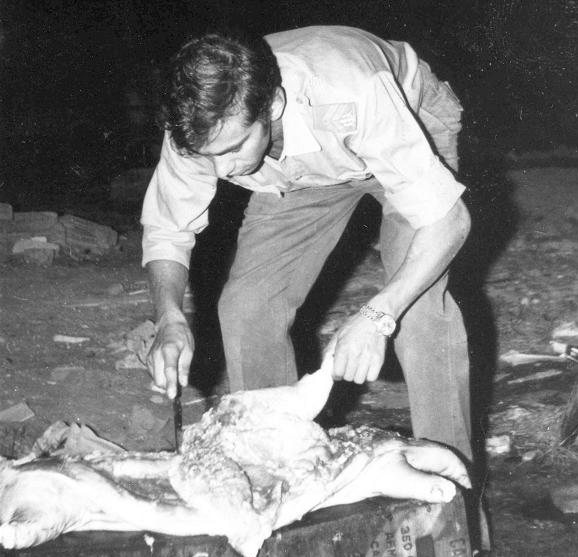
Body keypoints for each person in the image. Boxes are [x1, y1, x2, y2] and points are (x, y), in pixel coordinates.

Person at [141, 25, 473, 465]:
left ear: (273, 105)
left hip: (405, 120)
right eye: (208, 156)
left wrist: (377, 315)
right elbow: (167, 230)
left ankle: (451, 480)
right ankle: (278, 469)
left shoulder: (354, 90)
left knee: (417, 312)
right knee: (246, 308)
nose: (221, 171)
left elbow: (449, 220)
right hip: (301, 168)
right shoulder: (199, 126)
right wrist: (168, 317)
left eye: (233, 148)